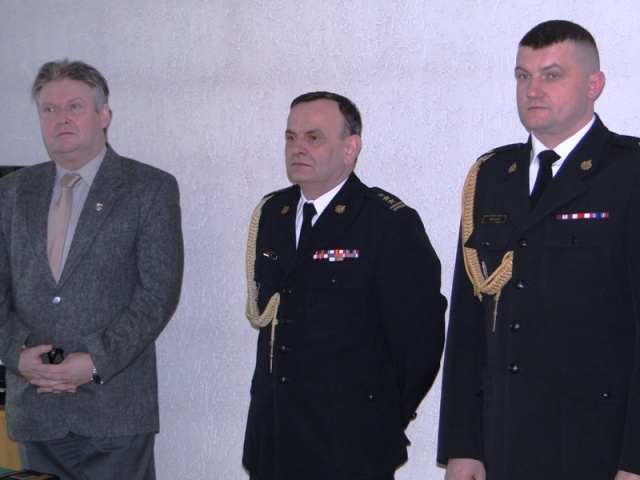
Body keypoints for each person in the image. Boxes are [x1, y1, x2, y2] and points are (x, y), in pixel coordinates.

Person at [438, 20, 640, 480]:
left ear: (594, 85)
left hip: (597, 445)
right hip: (504, 440)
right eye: (523, 75)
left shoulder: (629, 174)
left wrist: (636, 460)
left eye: (552, 75)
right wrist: (463, 446)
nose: (533, 89)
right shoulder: (492, 176)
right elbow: (468, 326)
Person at [242, 91, 446, 480]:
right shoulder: (272, 214)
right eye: (291, 137)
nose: (298, 148)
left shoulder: (386, 223)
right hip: (274, 441)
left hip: (351, 448)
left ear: (350, 148)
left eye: (313, 137)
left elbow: (420, 343)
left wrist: (375, 418)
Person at [0, 59, 184, 479]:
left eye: (75, 107)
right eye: (49, 109)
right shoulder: (10, 193)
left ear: (104, 115)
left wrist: (96, 360)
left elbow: (158, 294)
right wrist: (15, 354)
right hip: (36, 406)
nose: (61, 118)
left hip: (114, 408)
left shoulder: (149, 188)